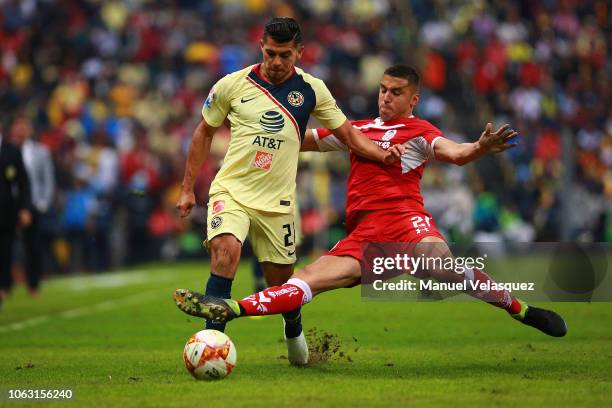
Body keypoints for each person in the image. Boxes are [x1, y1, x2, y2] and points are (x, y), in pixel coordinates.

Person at [173, 64, 567, 345]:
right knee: (302, 281)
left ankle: (521, 310)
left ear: (413, 98)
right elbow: (298, 138)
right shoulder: (355, 131)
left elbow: (455, 152)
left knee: (444, 269)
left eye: (396, 92)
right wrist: (259, 128)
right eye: (382, 89)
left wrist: (479, 147)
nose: (386, 97)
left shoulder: (419, 131)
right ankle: (233, 309)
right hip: (364, 238)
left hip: (407, 227)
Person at [174, 17, 398, 365]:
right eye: (271, 53)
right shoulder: (232, 85)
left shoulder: (312, 90)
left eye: (285, 55)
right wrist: (188, 189)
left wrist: (382, 155)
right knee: (225, 252)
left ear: (299, 52)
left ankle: (292, 328)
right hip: (231, 191)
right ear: (261, 47)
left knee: (282, 283)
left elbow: (349, 135)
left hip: (277, 204)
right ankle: (211, 347)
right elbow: (204, 132)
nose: (277, 62)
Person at [9, 117, 55, 294]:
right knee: (7, 245)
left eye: (24, 126)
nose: (20, 130)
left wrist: (43, 202)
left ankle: (33, 283)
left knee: (33, 245)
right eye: (17, 125)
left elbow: (48, 180)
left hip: (33, 204)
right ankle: (6, 283)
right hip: (9, 204)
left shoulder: (40, 151)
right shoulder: (5, 149)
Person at [0, 121, 32, 306]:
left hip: (6, 212)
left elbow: (23, 183)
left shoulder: (11, 151)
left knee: (5, 251)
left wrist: (25, 208)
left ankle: (4, 288)